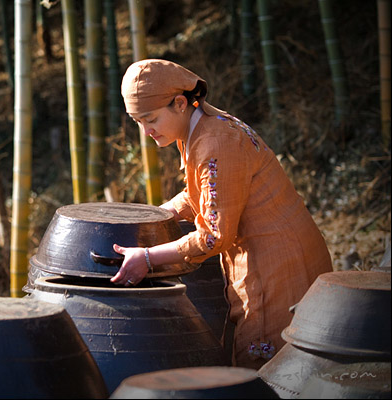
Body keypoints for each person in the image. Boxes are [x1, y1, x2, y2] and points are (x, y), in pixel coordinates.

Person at [111, 58, 332, 369]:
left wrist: (147, 257)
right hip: (281, 253)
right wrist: (156, 216)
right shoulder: (200, 125)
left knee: (270, 374)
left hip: (276, 266)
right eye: (137, 122)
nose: (145, 131)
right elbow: (201, 193)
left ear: (179, 103)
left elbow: (214, 237)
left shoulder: (215, 141)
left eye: (150, 119)